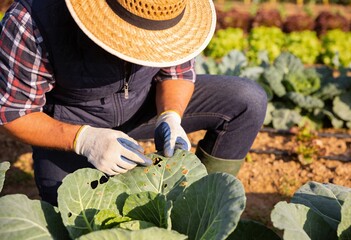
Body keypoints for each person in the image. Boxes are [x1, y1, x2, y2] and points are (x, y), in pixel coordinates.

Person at [0, 0, 267, 206]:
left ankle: (202, 204)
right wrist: (84, 140)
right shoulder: (30, 21)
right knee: (73, 208)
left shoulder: (165, 12)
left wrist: (171, 115)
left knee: (247, 101)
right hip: (71, 123)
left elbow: (177, 72)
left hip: (143, 105)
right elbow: (14, 112)